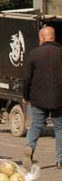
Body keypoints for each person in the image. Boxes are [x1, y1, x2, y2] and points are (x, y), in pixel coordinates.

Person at [22, 24, 62, 166]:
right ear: (54, 37)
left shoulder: (34, 53)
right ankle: (60, 160)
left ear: (41, 38)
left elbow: (27, 78)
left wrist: (25, 95)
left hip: (38, 98)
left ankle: (29, 147)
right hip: (59, 98)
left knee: (36, 125)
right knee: (59, 128)